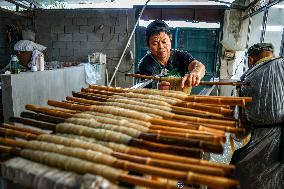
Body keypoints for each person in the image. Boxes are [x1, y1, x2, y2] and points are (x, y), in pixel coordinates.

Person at [230, 43, 284, 189]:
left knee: (240, 173)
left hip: (263, 142)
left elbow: (240, 131)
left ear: (250, 59)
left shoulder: (248, 78)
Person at [138, 20, 205, 90]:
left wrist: (196, 72)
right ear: (148, 45)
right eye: (155, 43)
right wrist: (157, 88)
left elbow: (199, 66)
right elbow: (147, 90)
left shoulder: (180, 56)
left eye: (164, 42)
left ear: (170, 38)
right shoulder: (145, 64)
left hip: (182, 97)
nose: (161, 46)